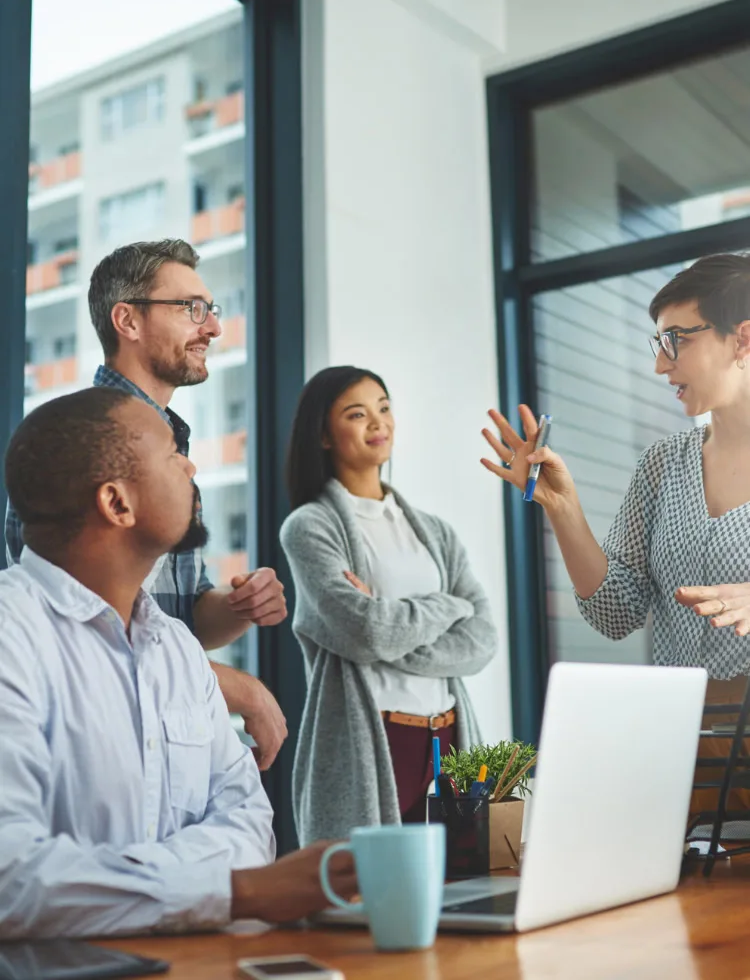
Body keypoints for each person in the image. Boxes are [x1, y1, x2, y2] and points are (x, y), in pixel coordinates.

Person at [0, 388, 356, 938]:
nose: (190, 464)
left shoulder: (178, 647)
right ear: (117, 504)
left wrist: (128, 888)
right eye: (172, 453)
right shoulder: (11, 634)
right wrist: (236, 892)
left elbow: (250, 824)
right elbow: (12, 879)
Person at [480, 252, 750, 813]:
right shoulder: (663, 464)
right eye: (659, 344)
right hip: (683, 758)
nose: (660, 366)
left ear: (742, 339)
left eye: (677, 339)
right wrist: (563, 507)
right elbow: (616, 612)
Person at [6, 239, 288, 771]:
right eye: (191, 308)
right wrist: (233, 686)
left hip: (168, 733)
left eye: (212, 310)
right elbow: (74, 632)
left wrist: (237, 607)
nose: (213, 328)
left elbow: (184, 616)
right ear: (127, 321)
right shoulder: (72, 443)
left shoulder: (175, 451)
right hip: (97, 745)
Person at [280, 366, 498, 844]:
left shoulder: (435, 531)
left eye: (384, 408)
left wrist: (389, 623)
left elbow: (483, 641)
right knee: (371, 901)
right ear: (322, 435)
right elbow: (368, 633)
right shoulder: (309, 527)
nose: (379, 423)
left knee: (471, 895)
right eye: (357, 414)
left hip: (450, 735)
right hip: (375, 739)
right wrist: (448, 606)